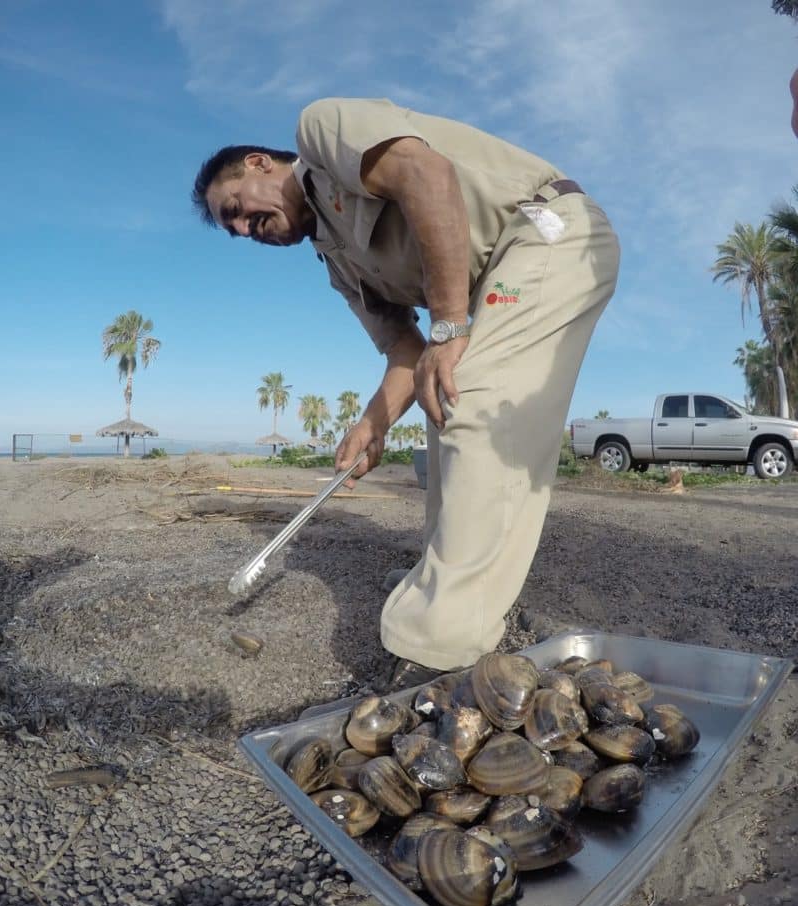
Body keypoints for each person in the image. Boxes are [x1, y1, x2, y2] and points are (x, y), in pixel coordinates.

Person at [192, 98, 620, 684]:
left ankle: (439, 652)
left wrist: (449, 323)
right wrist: (372, 425)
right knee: (444, 402)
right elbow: (405, 352)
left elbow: (427, 174)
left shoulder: (320, 132)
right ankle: (449, 597)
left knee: (468, 397)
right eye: (234, 229)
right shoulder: (338, 263)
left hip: (545, 231)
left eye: (237, 208)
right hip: (489, 283)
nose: (244, 229)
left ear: (262, 164)